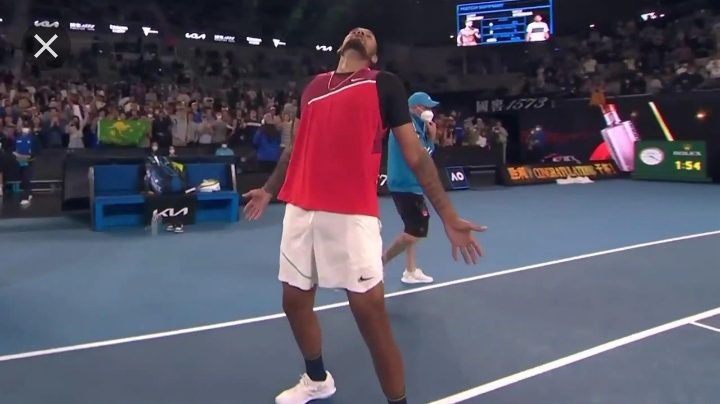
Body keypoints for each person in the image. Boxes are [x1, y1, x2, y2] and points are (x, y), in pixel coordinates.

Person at [242, 27, 486, 404]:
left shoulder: (383, 84)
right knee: (293, 302)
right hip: (301, 209)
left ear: (373, 57)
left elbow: (417, 155)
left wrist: (448, 215)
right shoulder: (313, 87)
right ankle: (317, 379)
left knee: (371, 317)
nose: (361, 32)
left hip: (352, 214)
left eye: (370, 36)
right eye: (356, 32)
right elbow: (295, 148)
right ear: (341, 46)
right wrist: (269, 189)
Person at [381, 92, 439, 284]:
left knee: (412, 228)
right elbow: (422, 155)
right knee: (416, 230)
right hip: (405, 183)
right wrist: (432, 139)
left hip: (411, 182)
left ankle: (410, 270)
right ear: (415, 108)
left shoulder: (417, 125)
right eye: (426, 107)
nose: (429, 111)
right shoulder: (409, 127)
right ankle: (378, 264)